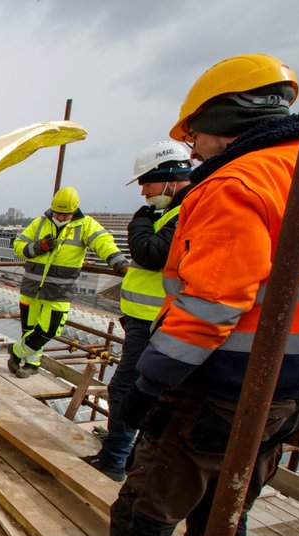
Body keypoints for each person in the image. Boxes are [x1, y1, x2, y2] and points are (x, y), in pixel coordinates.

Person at [42, 53, 299, 536]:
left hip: (218, 384)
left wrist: (148, 386)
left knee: (148, 504)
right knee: (226, 509)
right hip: (287, 393)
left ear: (226, 112)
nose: (195, 152)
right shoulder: (296, 170)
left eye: (197, 135)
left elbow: (212, 305)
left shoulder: (238, 182)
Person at [81, 142, 193, 482]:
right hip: (146, 320)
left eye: (147, 182)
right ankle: (128, 459)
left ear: (171, 177)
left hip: (159, 322)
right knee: (144, 393)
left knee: (128, 391)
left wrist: (142, 220)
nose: (143, 192)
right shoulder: (170, 211)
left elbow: (150, 254)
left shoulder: (183, 211)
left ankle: (117, 459)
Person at [10, 187, 129, 378]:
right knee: (30, 330)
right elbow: (18, 246)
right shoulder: (40, 223)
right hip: (31, 288)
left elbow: (104, 243)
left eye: (66, 214)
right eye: (58, 213)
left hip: (59, 291)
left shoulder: (86, 225)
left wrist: (119, 263)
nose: (62, 217)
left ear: (74, 211)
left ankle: (16, 351)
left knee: (48, 330)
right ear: (52, 208)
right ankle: (31, 363)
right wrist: (39, 247)